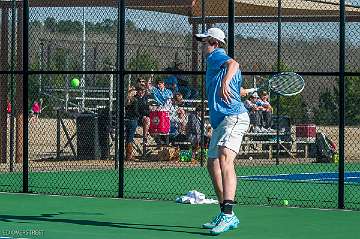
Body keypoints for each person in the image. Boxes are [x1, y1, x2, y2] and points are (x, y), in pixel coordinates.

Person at [195, 27, 250, 235]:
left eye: (205, 41)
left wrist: (226, 82)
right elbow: (238, 89)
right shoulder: (219, 65)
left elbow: (233, 64)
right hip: (221, 121)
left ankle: (228, 214)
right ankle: (224, 213)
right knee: (212, 164)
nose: (202, 45)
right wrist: (236, 88)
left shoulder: (216, 56)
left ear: (214, 43)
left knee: (225, 158)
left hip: (233, 118)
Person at [125, 85, 150, 161]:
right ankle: (129, 156)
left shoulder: (129, 100)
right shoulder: (135, 100)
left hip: (128, 119)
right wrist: (140, 116)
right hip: (133, 120)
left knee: (128, 137)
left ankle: (128, 155)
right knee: (130, 138)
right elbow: (136, 111)